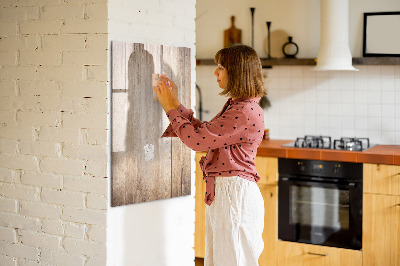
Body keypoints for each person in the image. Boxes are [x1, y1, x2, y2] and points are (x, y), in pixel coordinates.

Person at [153, 44, 266, 266]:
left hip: (234, 195)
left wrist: (169, 108)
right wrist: (175, 103)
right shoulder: (239, 106)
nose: (215, 72)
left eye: (221, 67)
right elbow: (205, 133)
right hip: (228, 193)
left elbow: (197, 141)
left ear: (237, 71)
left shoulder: (243, 111)